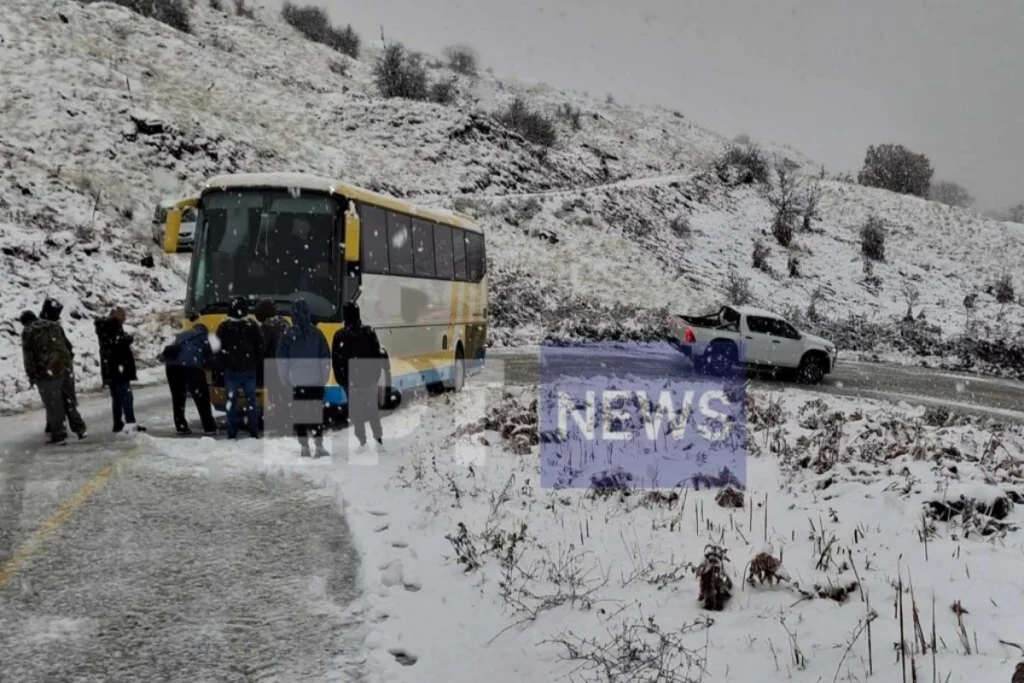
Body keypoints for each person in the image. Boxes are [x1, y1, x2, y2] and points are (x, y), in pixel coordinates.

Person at [21, 306, 87, 444]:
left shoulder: (28, 331)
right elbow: (68, 345)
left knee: (53, 405)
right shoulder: (54, 325)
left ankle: (59, 435)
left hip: (47, 371)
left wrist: (32, 375)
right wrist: (67, 362)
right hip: (66, 366)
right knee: (69, 399)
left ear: (24, 322)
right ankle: (80, 429)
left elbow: (29, 357)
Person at [277, 299, 331, 458]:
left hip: (296, 382)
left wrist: (285, 379)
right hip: (315, 382)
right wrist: (324, 378)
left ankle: (304, 447)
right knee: (315, 414)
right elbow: (325, 359)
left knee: (299, 414)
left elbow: (281, 360)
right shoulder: (317, 333)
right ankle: (319, 446)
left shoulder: (287, 335)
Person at [331, 302, 384, 453]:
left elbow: (336, 360)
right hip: (368, 379)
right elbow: (376, 356)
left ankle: (362, 441)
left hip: (351, 381)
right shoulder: (369, 333)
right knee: (372, 411)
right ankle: (378, 439)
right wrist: (375, 376)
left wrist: (342, 379)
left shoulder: (340, 336)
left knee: (357, 413)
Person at [216, 296, 263, 439]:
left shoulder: (224, 326)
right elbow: (260, 346)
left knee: (231, 401)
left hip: (231, 370)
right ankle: (253, 431)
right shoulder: (252, 325)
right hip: (249, 369)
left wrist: (222, 365)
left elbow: (218, 349)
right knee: (251, 402)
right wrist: (255, 361)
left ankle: (232, 432)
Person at [160, 322, 218, 436]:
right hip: (192, 367)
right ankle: (209, 427)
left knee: (178, 397)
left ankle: (181, 427)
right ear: (204, 331)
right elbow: (210, 360)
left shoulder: (182, 335)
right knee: (202, 398)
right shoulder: (204, 337)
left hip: (172, 367)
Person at [95, 307, 145, 433]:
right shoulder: (113, 327)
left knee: (117, 398)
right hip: (118, 369)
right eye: (123, 315)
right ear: (116, 316)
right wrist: (126, 340)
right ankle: (130, 423)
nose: (125, 318)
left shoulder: (106, 328)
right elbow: (117, 347)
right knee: (126, 396)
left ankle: (118, 423)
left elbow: (111, 346)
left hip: (111, 369)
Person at [254, 298, 291, 435]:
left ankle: (282, 426)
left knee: (277, 397)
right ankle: (287, 423)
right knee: (286, 396)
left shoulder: (266, 327)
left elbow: (262, 349)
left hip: (273, 367)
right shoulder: (284, 322)